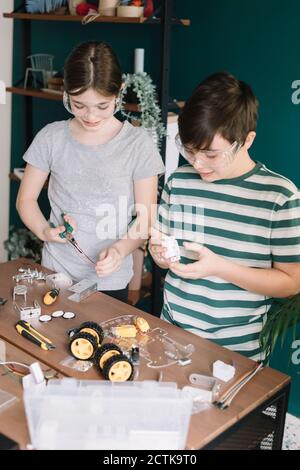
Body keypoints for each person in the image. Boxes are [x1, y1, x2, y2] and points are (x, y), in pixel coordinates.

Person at [149, 72, 300, 361]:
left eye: (210, 154)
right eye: (189, 150)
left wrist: (219, 267)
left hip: (237, 350)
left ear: (246, 141)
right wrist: (158, 253)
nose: (197, 162)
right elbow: (161, 247)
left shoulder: (280, 197)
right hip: (171, 332)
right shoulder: (179, 181)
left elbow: (292, 283)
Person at [17, 41, 165, 302]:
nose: (90, 116)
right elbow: (26, 200)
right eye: (79, 104)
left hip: (110, 279)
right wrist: (45, 231)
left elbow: (146, 218)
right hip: (56, 272)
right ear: (66, 92)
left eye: (102, 106)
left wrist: (120, 249)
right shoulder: (51, 137)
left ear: (119, 92)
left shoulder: (137, 144)